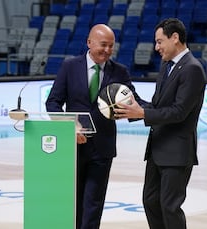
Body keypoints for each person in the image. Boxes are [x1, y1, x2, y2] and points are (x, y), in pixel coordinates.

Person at [45, 24, 146, 229]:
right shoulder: (69, 66)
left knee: (93, 204)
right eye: (103, 45)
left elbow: (134, 102)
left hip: (103, 148)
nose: (107, 50)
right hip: (73, 147)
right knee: (73, 201)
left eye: (111, 46)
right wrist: (68, 126)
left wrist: (158, 112)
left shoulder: (120, 71)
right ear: (89, 43)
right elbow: (53, 102)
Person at [114, 18, 207, 229]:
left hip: (177, 152)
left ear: (175, 38)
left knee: (169, 206)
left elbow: (179, 112)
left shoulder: (192, 69)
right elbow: (158, 106)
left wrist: (143, 112)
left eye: (159, 41)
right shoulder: (166, 66)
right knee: (150, 201)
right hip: (157, 148)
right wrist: (133, 108)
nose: (156, 48)